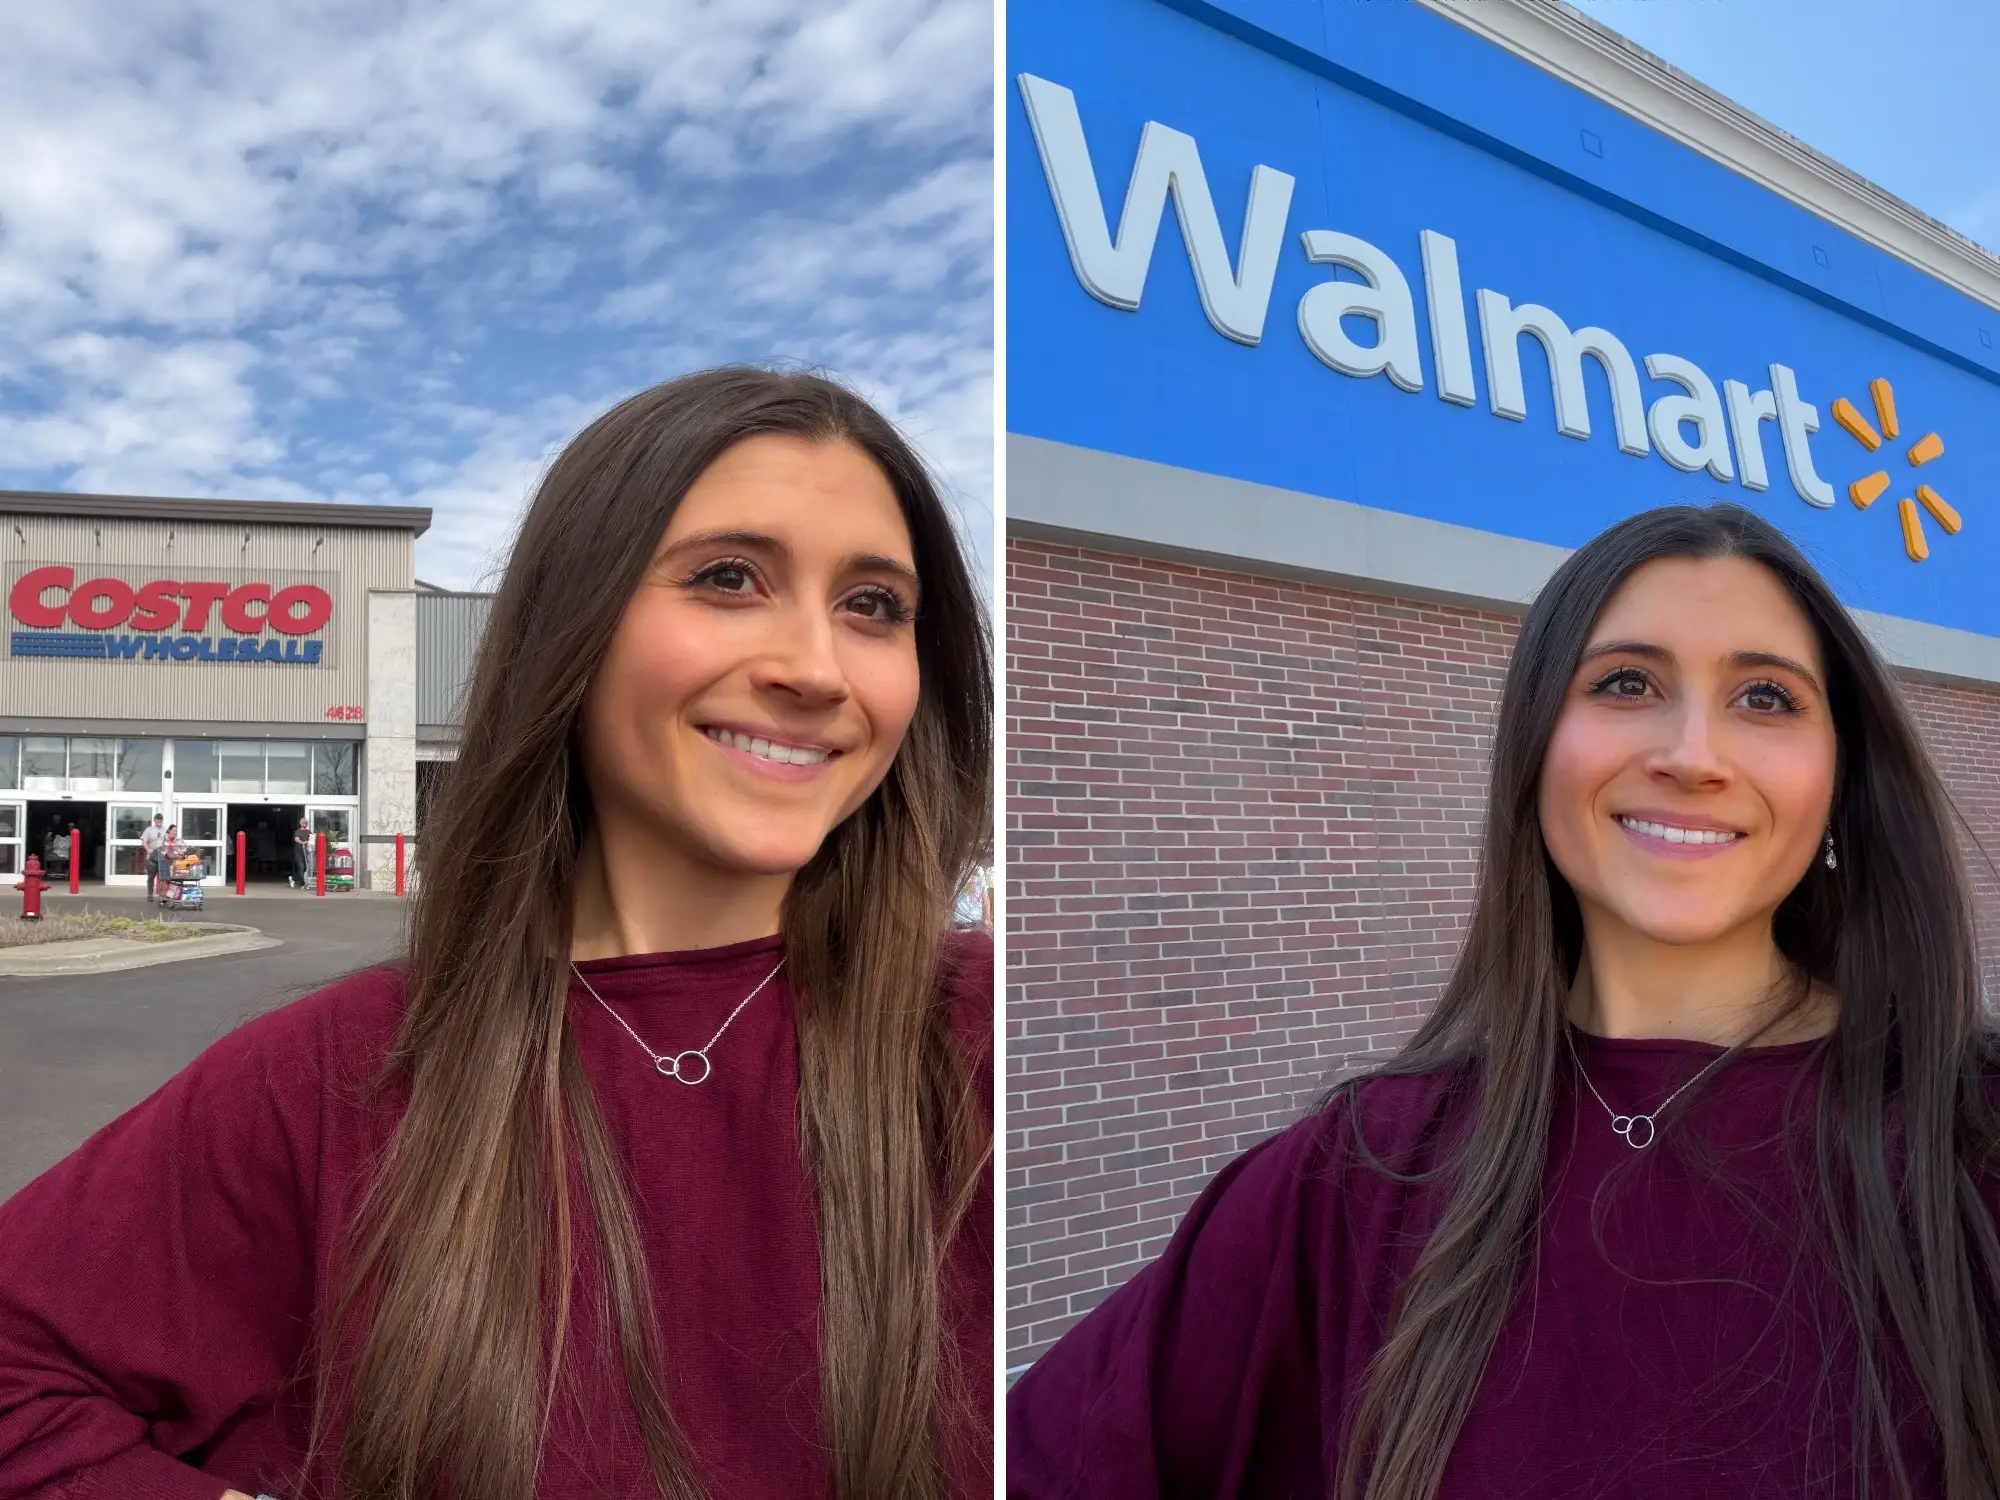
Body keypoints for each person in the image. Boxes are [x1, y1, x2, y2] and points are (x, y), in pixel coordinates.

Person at [0, 368, 995, 1500]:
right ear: (570, 628)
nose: (814, 668)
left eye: (874, 605)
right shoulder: (338, 1077)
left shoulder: (986, 1046)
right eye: (728, 577)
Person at [1008, 503, 2000, 1500]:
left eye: (1765, 698)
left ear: (1839, 779)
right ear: (1532, 751)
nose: (1693, 754)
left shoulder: (1973, 1144)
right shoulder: (1350, 1181)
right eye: (1624, 683)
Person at [139, 814, 167, 904]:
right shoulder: (149, 830)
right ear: (154, 820)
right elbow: (144, 841)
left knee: (163, 877)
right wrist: (148, 849)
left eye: (161, 819)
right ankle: (150, 895)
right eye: (158, 819)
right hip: (151, 857)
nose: (159, 820)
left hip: (162, 857)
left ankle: (162, 896)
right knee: (151, 877)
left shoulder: (165, 830)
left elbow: (168, 841)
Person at [291, 817, 311, 889]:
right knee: (301, 868)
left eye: (306, 823)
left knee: (306, 868)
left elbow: (311, 838)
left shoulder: (309, 832)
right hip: (298, 853)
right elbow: (297, 839)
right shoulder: (298, 832)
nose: (305, 824)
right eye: (304, 823)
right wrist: (303, 843)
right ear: (301, 823)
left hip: (307, 853)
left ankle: (293, 878)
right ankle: (303, 884)